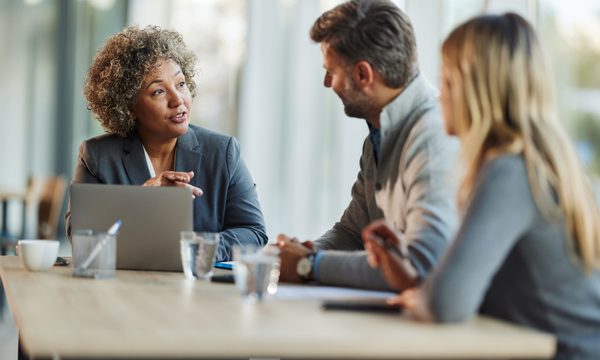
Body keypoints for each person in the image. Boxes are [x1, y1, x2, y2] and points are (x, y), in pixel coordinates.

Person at [363, 13, 600, 359]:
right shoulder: (533, 163)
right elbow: (482, 291)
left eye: (447, 81)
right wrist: (414, 282)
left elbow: (447, 304)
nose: (439, 95)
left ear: (477, 90)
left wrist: (427, 295)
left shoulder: (509, 172)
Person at [276, 0, 458, 290]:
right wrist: (304, 252)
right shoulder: (378, 132)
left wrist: (308, 266)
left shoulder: (434, 138)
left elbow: (421, 264)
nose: (327, 82)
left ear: (363, 74)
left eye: (331, 71)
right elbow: (352, 232)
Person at [65, 26, 268, 260]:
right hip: (123, 288)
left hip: (198, 290)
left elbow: (253, 232)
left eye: (181, 84)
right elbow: (80, 237)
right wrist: (141, 200)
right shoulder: (97, 156)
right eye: (159, 91)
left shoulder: (223, 152)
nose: (177, 99)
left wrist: (195, 249)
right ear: (128, 106)